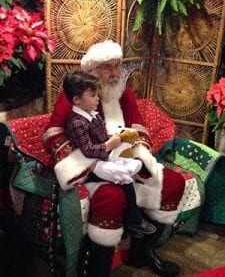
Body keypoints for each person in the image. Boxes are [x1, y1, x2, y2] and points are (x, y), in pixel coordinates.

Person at [43, 40, 189, 277]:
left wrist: (138, 155)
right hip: (90, 165)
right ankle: (98, 269)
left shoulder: (126, 95)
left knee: (172, 182)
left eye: (117, 66)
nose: (114, 74)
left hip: (122, 160)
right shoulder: (75, 97)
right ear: (91, 72)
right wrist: (93, 162)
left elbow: (139, 129)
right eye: (106, 68)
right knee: (111, 197)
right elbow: (52, 134)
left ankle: (142, 251)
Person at [62, 70, 157, 236]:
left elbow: (102, 136)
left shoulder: (94, 115)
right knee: (125, 179)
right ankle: (134, 220)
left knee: (133, 163)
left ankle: (134, 216)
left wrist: (117, 138)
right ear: (77, 100)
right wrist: (108, 145)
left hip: (104, 157)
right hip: (89, 166)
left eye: (97, 95)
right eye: (92, 96)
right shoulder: (77, 122)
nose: (98, 99)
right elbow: (88, 150)